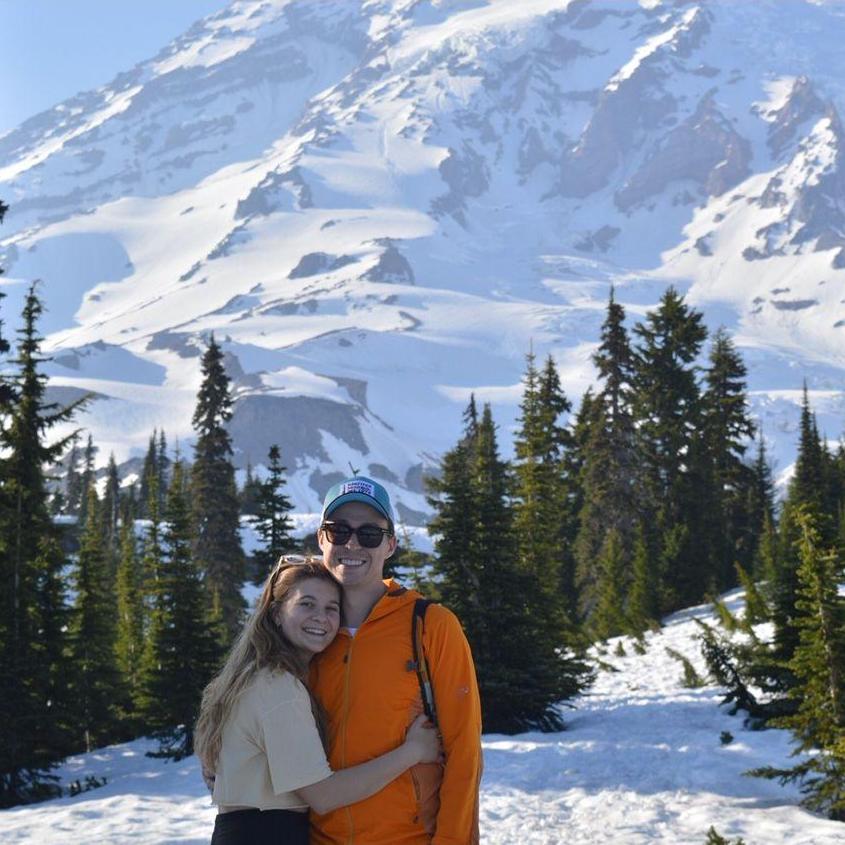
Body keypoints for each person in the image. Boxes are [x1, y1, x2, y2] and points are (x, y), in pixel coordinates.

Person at [194, 560, 441, 845]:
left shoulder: (258, 676)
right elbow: (324, 795)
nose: (320, 618)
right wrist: (413, 751)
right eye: (306, 604)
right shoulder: (278, 687)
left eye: (331, 608)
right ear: (276, 613)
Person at [310, 476, 483, 845]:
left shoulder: (431, 626)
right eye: (339, 531)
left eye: (369, 533)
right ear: (321, 539)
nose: (352, 543)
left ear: (390, 544)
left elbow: (463, 753)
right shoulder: (304, 631)